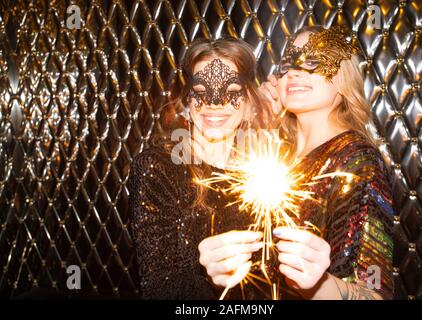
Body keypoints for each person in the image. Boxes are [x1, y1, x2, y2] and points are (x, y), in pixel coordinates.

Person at [129, 37, 275, 299]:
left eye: (230, 90)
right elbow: (157, 290)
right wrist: (206, 276)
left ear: (248, 99)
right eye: (201, 90)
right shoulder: (158, 167)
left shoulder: (268, 171)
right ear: (188, 98)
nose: (214, 103)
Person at [255, 25, 394, 299]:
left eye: (312, 61)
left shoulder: (357, 161)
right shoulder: (273, 153)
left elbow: (373, 294)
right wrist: (254, 118)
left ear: (343, 79)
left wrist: (316, 284)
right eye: (287, 64)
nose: (294, 71)